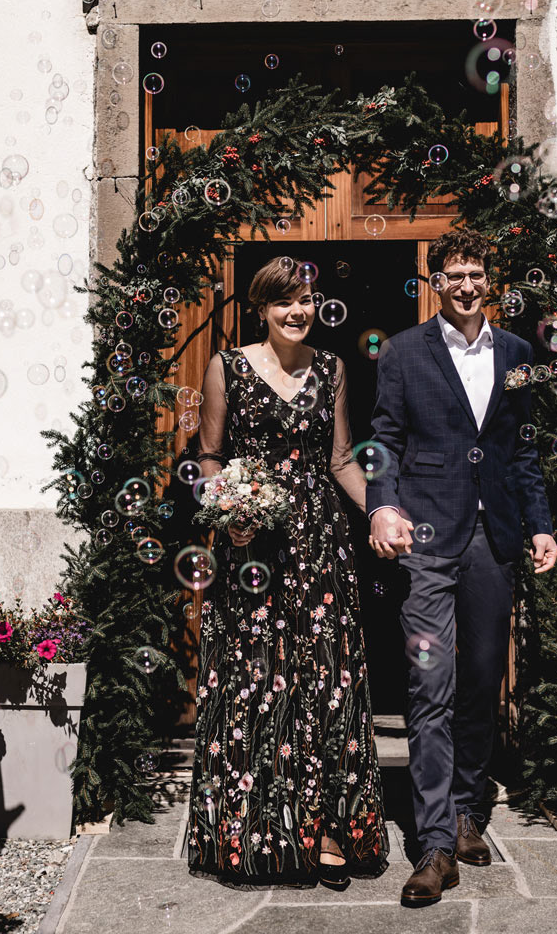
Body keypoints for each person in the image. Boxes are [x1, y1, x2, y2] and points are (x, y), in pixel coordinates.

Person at [367, 227, 557, 908]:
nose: (468, 285)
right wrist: (381, 509)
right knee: (431, 682)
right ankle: (435, 843)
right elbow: (383, 440)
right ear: (436, 282)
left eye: (477, 273)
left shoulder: (515, 352)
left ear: (491, 281)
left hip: (493, 534)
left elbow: (522, 449)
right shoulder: (400, 353)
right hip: (425, 533)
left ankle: (472, 809)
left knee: (480, 675)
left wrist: (539, 523)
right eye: (455, 275)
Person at [187, 255, 389, 890]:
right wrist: (228, 513)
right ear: (262, 309)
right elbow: (211, 456)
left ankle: (329, 831)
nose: (298, 312)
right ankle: (253, 835)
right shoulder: (228, 367)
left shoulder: (331, 368)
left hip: (321, 548)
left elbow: (340, 459)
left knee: (325, 685)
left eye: (306, 300)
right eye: (284, 303)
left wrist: (380, 509)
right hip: (253, 552)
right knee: (256, 684)